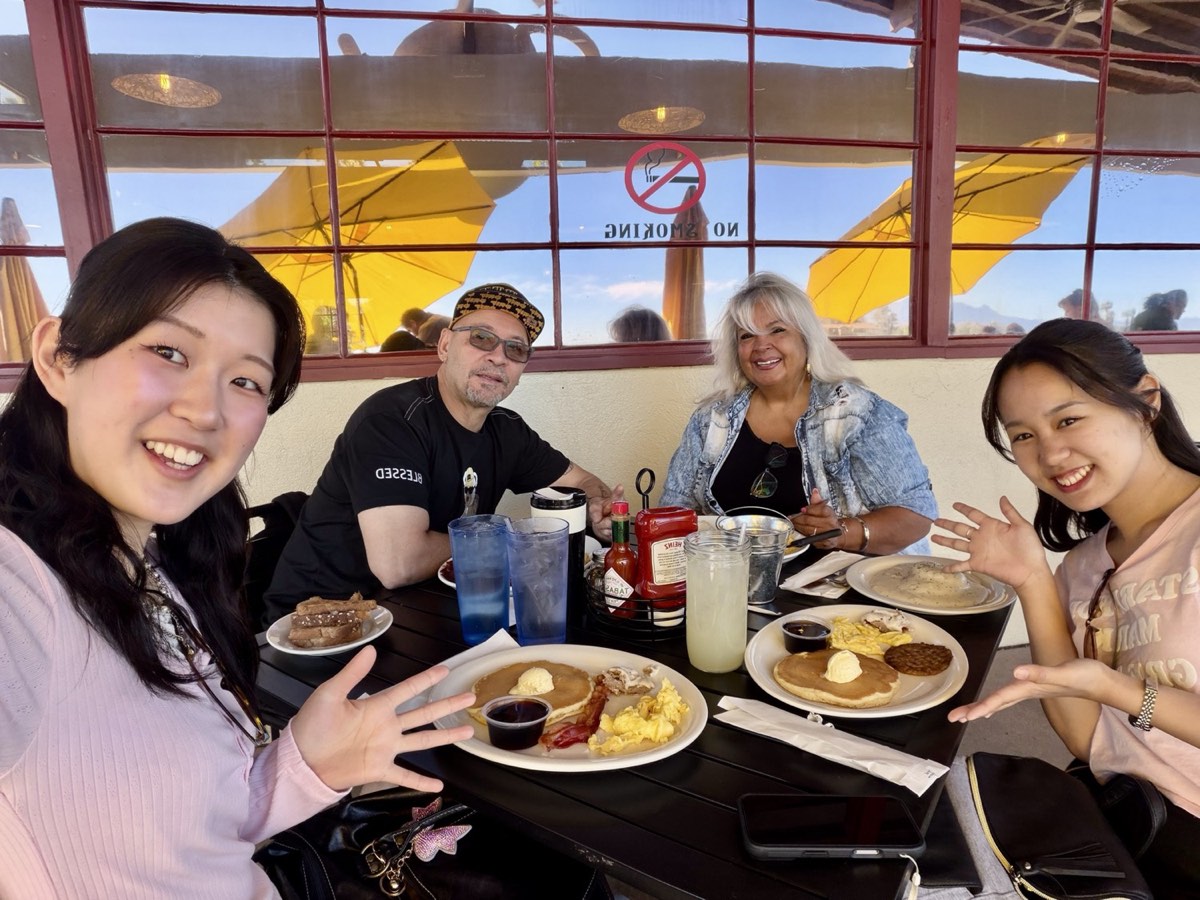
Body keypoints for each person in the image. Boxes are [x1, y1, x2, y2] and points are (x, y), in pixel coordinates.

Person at [0, 219, 475, 897]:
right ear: (57, 358)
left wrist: (307, 763)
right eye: (168, 351)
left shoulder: (158, 572)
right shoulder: (18, 588)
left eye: (247, 382)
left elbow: (205, 828)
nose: (204, 409)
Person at [934, 318, 1200, 895]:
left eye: (1069, 419)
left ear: (1145, 401)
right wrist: (1033, 580)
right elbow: (1090, 743)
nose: (1050, 453)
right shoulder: (1083, 566)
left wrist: (1119, 690)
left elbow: (1108, 698)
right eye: (1023, 435)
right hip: (1125, 822)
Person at [264, 283, 619, 620]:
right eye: (482, 338)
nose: (498, 357)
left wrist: (597, 507)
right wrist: (512, 537)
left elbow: (581, 480)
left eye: (516, 348)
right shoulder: (392, 421)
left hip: (422, 608)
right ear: (445, 345)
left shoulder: (506, 429)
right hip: (317, 621)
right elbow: (399, 563)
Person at [660, 271, 936, 554]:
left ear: (805, 337)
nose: (761, 346)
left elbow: (916, 514)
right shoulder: (711, 419)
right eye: (746, 335)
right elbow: (672, 510)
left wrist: (841, 533)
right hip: (732, 580)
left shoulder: (855, 411)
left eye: (777, 330)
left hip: (839, 587)